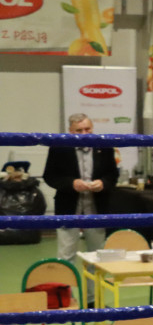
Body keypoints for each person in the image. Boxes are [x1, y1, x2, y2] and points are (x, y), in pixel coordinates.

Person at [42, 113, 119, 305]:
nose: (85, 134)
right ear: (70, 131)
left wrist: (102, 183)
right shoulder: (59, 146)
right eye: (79, 131)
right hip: (69, 206)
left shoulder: (104, 146)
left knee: (96, 256)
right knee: (66, 255)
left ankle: (94, 301)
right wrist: (71, 183)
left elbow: (112, 175)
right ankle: (65, 299)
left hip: (97, 207)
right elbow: (49, 176)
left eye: (88, 129)